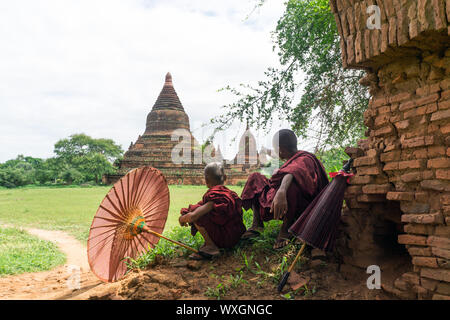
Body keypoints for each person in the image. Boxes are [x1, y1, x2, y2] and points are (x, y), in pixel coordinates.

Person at [241, 129, 329, 249]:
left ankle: (286, 228)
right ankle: (257, 224)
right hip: (279, 198)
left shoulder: (305, 158)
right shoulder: (292, 157)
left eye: (276, 149)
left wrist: (282, 191)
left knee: (291, 185)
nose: (276, 153)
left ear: (281, 149)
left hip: (301, 204)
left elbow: (294, 171)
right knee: (255, 177)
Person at [179, 162, 246, 260]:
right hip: (237, 236)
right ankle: (211, 243)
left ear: (206, 181)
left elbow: (193, 216)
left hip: (226, 239)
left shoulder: (213, 196)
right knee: (197, 207)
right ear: (225, 177)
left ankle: (211, 246)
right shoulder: (231, 194)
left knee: (195, 211)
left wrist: (182, 219)